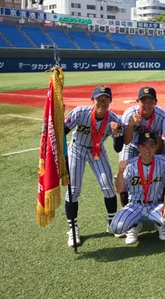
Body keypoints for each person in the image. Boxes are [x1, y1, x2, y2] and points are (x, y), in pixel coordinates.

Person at [63, 85, 123, 247]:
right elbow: (62, 130)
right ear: (93, 100)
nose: (102, 103)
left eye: (105, 99)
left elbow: (118, 148)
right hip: (77, 149)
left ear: (110, 101)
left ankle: (112, 224)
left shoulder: (114, 120)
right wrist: (58, 116)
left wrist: (116, 134)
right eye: (99, 99)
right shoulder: (80, 112)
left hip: (98, 152)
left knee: (108, 186)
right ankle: (73, 228)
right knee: (74, 190)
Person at [109, 132, 165, 244]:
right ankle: (134, 225)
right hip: (135, 205)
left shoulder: (163, 162)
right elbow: (119, 189)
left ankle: (159, 224)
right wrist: (120, 171)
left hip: (155, 204)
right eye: (144, 146)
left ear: (156, 147)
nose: (147, 149)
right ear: (138, 147)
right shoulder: (129, 165)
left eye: (151, 145)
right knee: (115, 228)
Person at [119, 87, 165, 206]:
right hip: (132, 145)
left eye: (150, 101)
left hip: (153, 147)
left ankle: (159, 204)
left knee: (162, 171)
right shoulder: (129, 114)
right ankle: (126, 209)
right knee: (123, 173)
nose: (146, 105)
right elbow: (126, 141)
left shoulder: (163, 117)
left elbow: (160, 143)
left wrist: (155, 160)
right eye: (143, 101)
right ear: (137, 101)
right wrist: (131, 125)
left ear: (156, 102)